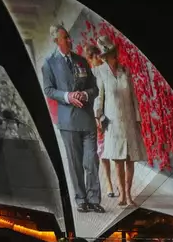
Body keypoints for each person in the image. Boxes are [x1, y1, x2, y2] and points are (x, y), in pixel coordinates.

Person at [42, 24, 104, 213]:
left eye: (69, 37)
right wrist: (68, 96)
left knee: (91, 160)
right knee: (75, 162)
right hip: (68, 121)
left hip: (87, 119)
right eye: (65, 38)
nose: (70, 40)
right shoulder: (49, 63)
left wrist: (85, 95)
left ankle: (94, 199)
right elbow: (49, 90)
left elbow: (95, 88)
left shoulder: (81, 61)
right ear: (56, 41)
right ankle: (81, 199)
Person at [93, 36, 147, 206]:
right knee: (118, 160)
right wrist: (98, 116)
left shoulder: (125, 71)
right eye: (111, 53)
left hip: (130, 120)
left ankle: (129, 194)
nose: (115, 55)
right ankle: (122, 194)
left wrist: (138, 118)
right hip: (113, 123)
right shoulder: (100, 72)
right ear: (105, 56)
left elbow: (134, 98)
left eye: (114, 51)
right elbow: (99, 97)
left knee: (131, 159)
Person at [83, 43, 116, 198]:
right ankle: (109, 184)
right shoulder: (92, 73)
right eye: (93, 57)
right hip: (99, 117)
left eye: (97, 56)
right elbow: (95, 98)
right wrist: (97, 116)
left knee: (115, 150)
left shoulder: (107, 70)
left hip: (112, 113)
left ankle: (117, 184)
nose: (96, 59)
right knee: (103, 152)